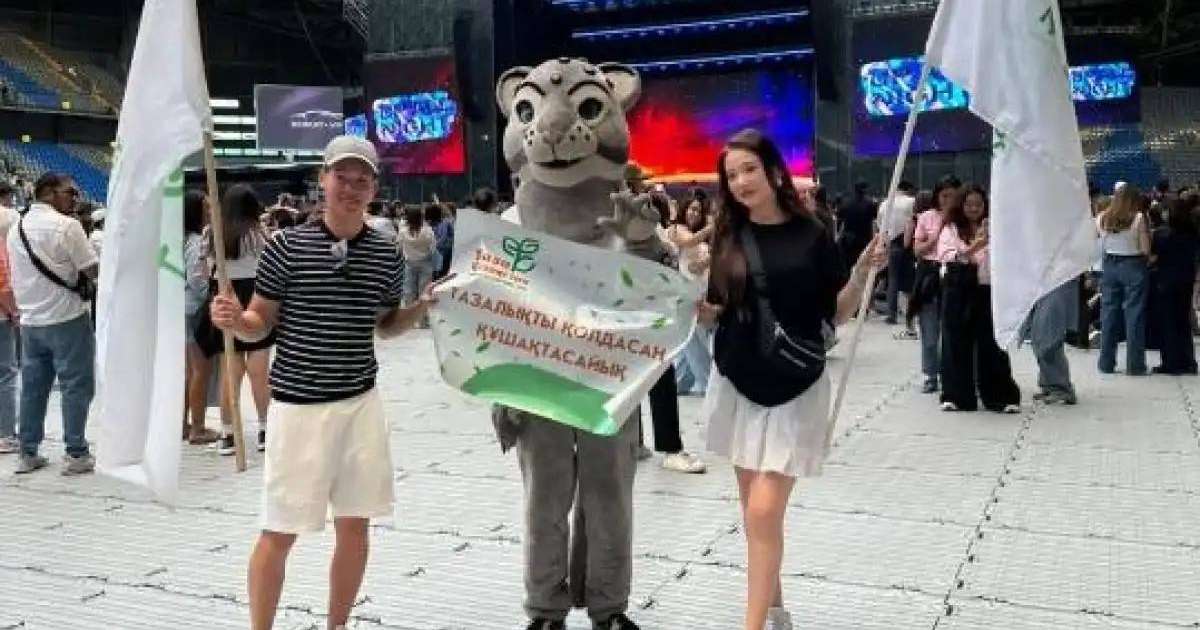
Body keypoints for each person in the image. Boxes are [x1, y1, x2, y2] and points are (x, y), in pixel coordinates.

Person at [210, 136, 437, 630]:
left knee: (355, 526)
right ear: (323, 180)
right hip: (298, 408)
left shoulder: (387, 253)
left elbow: (385, 325)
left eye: (362, 180)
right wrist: (236, 320)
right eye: (342, 177)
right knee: (279, 531)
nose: (351, 188)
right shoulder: (285, 246)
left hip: (360, 404)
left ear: (374, 188)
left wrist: (422, 307)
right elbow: (260, 320)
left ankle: (338, 625)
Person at [698, 129, 885, 630]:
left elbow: (836, 313)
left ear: (774, 171)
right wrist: (697, 309)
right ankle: (776, 611)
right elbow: (718, 311)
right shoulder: (727, 235)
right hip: (738, 382)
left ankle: (753, 625)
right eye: (731, 175)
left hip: (796, 385)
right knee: (753, 512)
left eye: (749, 169)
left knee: (763, 512)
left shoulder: (813, 233)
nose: (741, 182)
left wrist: (861, 274)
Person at [7, 172, 98, 475]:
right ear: (48, 192)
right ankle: (76, 453)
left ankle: (28, 452)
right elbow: (91, 269)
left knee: (33, 388)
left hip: (31, 321)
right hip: (67, 317)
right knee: (76, 386)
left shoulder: (17, 228)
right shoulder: (67, 226)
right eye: (69, 192)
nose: (75, 199)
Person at [194, 184, 274, 454]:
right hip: (256, 298)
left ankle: (228, 434)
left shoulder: (211, 233)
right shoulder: (260, 234)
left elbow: (203, 271)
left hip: (224, 296)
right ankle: (265, 430)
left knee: (230, 370)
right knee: (259, 371)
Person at [934, 185, 1021, 413]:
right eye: (969, 204)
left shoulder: (997, 228)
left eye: (978, 204)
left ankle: (1000, 396)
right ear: (961, 206)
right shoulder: (951, 229)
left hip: (988, 289)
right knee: (955, 343)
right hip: (959, 290)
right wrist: (976, 246)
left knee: (993, 344)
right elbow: (948, 256)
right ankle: (956, 396)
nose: (974, 209)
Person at [911, 176, 961, 392]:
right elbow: (917, 249)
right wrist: (938, 232)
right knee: (930, 331)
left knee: (952, 330)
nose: (948, 201)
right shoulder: (926, 218)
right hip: (930, 275)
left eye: (953, 196)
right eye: (944, 196)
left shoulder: (963, 218)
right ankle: (930, 374)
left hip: (955, 274)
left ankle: (951, 373)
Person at [1096, 183, 1151, 375]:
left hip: (1110, 265)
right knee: (1134, 314)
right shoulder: (1138, 218)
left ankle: (1106, 363)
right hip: (1133, 264)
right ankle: (1135, 365)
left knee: (1108, 314)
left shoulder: (1102, 218)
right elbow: (1145, 249)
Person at [669, 192, 715, 397]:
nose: (695, 213)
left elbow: (704, 264)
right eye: (692, 209)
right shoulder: (676, 229)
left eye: (699, 210)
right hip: (685, 293)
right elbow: (689, 242)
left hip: (701, 291)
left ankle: (680, 382)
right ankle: (707, 381)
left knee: (690, 341)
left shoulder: (702, 236)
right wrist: (712, 227)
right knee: (694, 341)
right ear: (684, 209)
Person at [184, 190, 219, 444]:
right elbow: (197, 280)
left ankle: (182, 425)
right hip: (195, 310)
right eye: (206, 208)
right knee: (200, 370)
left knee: (187, 372)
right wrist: (212, 292)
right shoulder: (197, 242)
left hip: (181, 307)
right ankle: (197, 427)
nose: (210, 212)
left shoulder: (180, 240)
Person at [1150, 196, 1199, 374]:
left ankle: (1171, 361)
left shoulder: (1161, 234)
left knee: (1167, 322)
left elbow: (1153, 257)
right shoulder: (1193, 233)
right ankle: (1188, 361)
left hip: (1166, 280)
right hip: (1186, 279)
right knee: (1183, 321)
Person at [881, 181, 917, 325]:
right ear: (908, 190)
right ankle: (912, 312)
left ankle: (892, 313)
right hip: (907, 242)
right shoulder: (911, 201)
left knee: (893, 278)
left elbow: (880, 225)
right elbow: (913, 222)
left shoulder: (885, 203)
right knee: (910, 279)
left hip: (891, 243)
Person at [399, 205, 437, 320]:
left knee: (409, 290)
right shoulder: (427, 231)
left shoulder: (403, 231)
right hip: (425, 262)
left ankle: (409, 317)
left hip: (409, 263)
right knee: (424, 290)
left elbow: (399, 246)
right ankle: (423, 318)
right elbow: (433, 247)